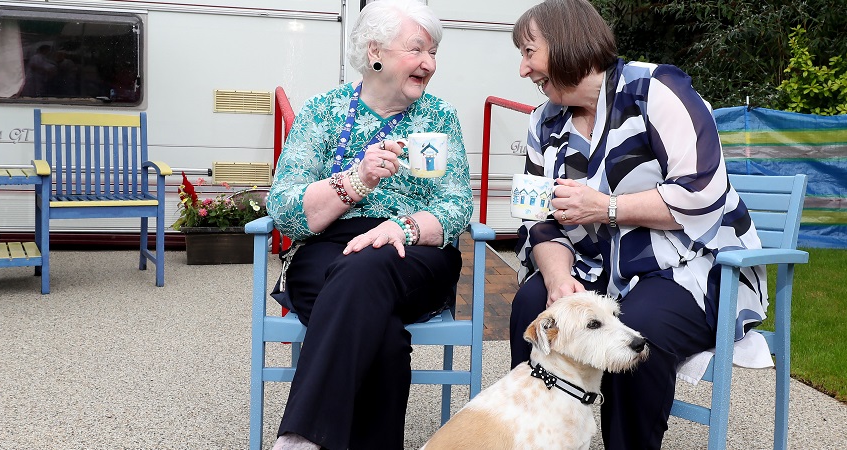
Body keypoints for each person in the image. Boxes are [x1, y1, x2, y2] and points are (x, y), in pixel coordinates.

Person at [507, 1, 771, 449]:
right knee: (532, 308)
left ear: (568, 42)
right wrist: (555, 277)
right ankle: (539, 438)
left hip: (688, 270)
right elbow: (540, 220)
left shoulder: (657, 90)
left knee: (638, 329)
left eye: (530, 51)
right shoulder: (544, 122)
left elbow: (702, 193)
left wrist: (606, 207)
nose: (523, 68)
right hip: (594, 273)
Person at [265, 0, 472, 448]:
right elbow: (284, 207)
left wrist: (405, 228)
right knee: (382, 335)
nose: (429, 63)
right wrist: (355, 181)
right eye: (417, 49)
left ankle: (301, 436)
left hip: (415, 252)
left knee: (367, 265)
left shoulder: (439, 117)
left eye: (433, 52)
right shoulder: (324, 112)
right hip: (327, 247)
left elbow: (456, 205)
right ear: (375, 50)